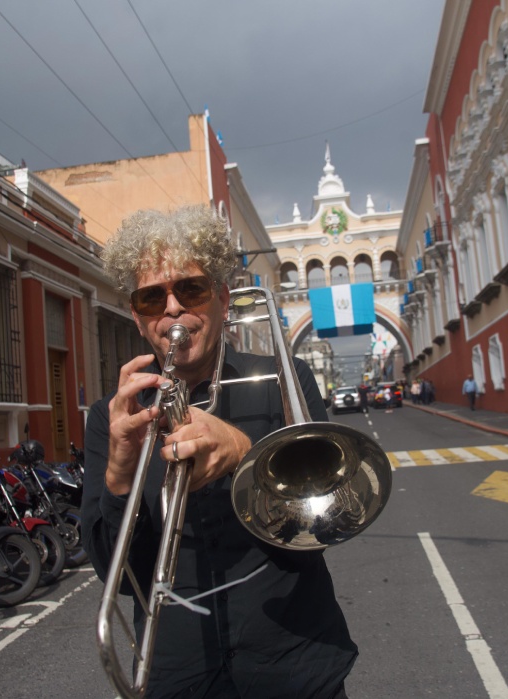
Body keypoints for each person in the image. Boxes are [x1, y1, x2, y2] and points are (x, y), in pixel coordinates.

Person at [81, 205, 356, 699]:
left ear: (223, 300)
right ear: (138, 318)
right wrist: (121, 469)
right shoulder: (112, 416)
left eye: (191, 289)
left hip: (293, 660)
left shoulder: (283, 380)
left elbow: (330, 521)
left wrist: (247, 452)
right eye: (151, 298)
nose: (172, 309)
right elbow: (118, 577)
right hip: (178, 673)